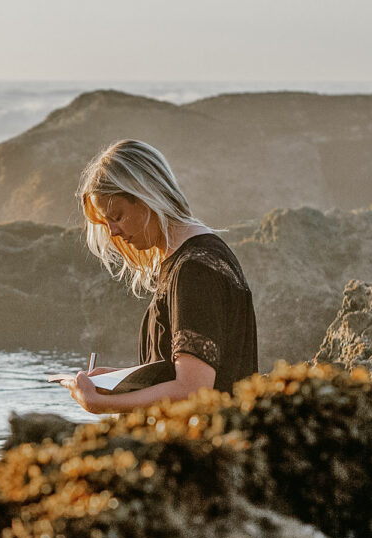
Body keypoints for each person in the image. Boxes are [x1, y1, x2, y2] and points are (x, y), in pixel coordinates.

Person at [61, 139, 258, 414]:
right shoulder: (202, 255)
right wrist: (123, 379)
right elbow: (188, 371)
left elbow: (193, 390)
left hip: (203, 449)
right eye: (106, 223)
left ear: (147, 198)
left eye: (117, 216)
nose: (113, 232)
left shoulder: (194, 270)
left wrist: (101, 404)